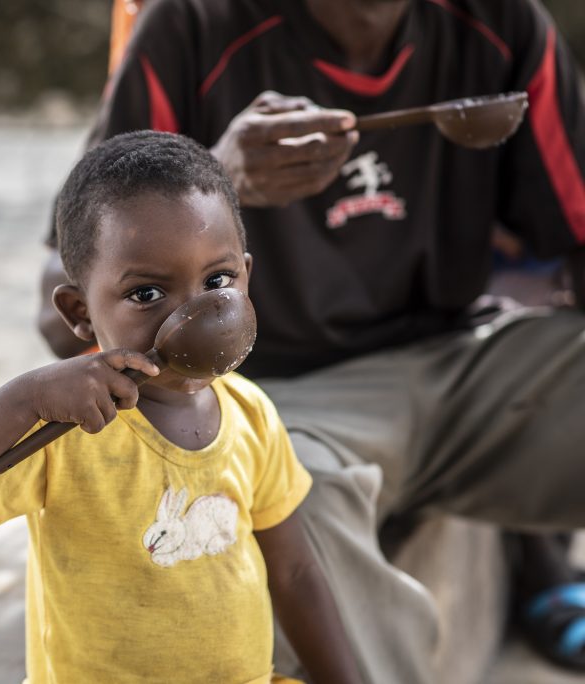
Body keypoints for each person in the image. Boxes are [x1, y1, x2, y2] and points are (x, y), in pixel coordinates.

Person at [37, 0, 585, 681]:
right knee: (285, 508)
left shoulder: (502, 24)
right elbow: (60, 304)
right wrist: (214, 186)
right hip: (286, 401)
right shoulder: (192, 26)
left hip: (463, 368)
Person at [0, 131, 362, 684]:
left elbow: (295, 573)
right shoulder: (67, 430)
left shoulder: (251, 414)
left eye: (218, 281)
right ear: (79, 314)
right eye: (147, 294)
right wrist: (24, 397)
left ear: (247, 277)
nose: (196, 315)